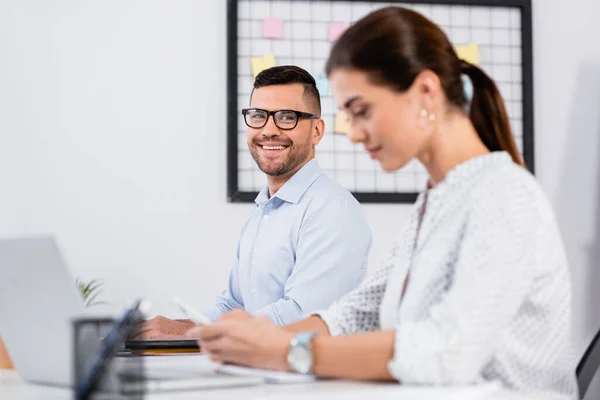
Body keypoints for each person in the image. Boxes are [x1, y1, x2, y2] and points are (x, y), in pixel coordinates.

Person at [187, 7, 578, 400]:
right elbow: (358, 312)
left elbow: (447, 353)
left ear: (425, 92)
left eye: (361, 111)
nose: (354, 134)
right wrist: (257, 346)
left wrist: (288, 351)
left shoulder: (504, 193)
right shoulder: (437, 200)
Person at [134, 66, 372, 338]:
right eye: (258, 116)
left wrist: (191, 331)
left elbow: (301, 316)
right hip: (257, 373)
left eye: (287, 117)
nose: (268, 130)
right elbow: (234, 306)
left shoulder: (332, 210)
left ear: (317, 131)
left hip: (307, 377)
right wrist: (170, 329)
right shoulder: (264, 211)